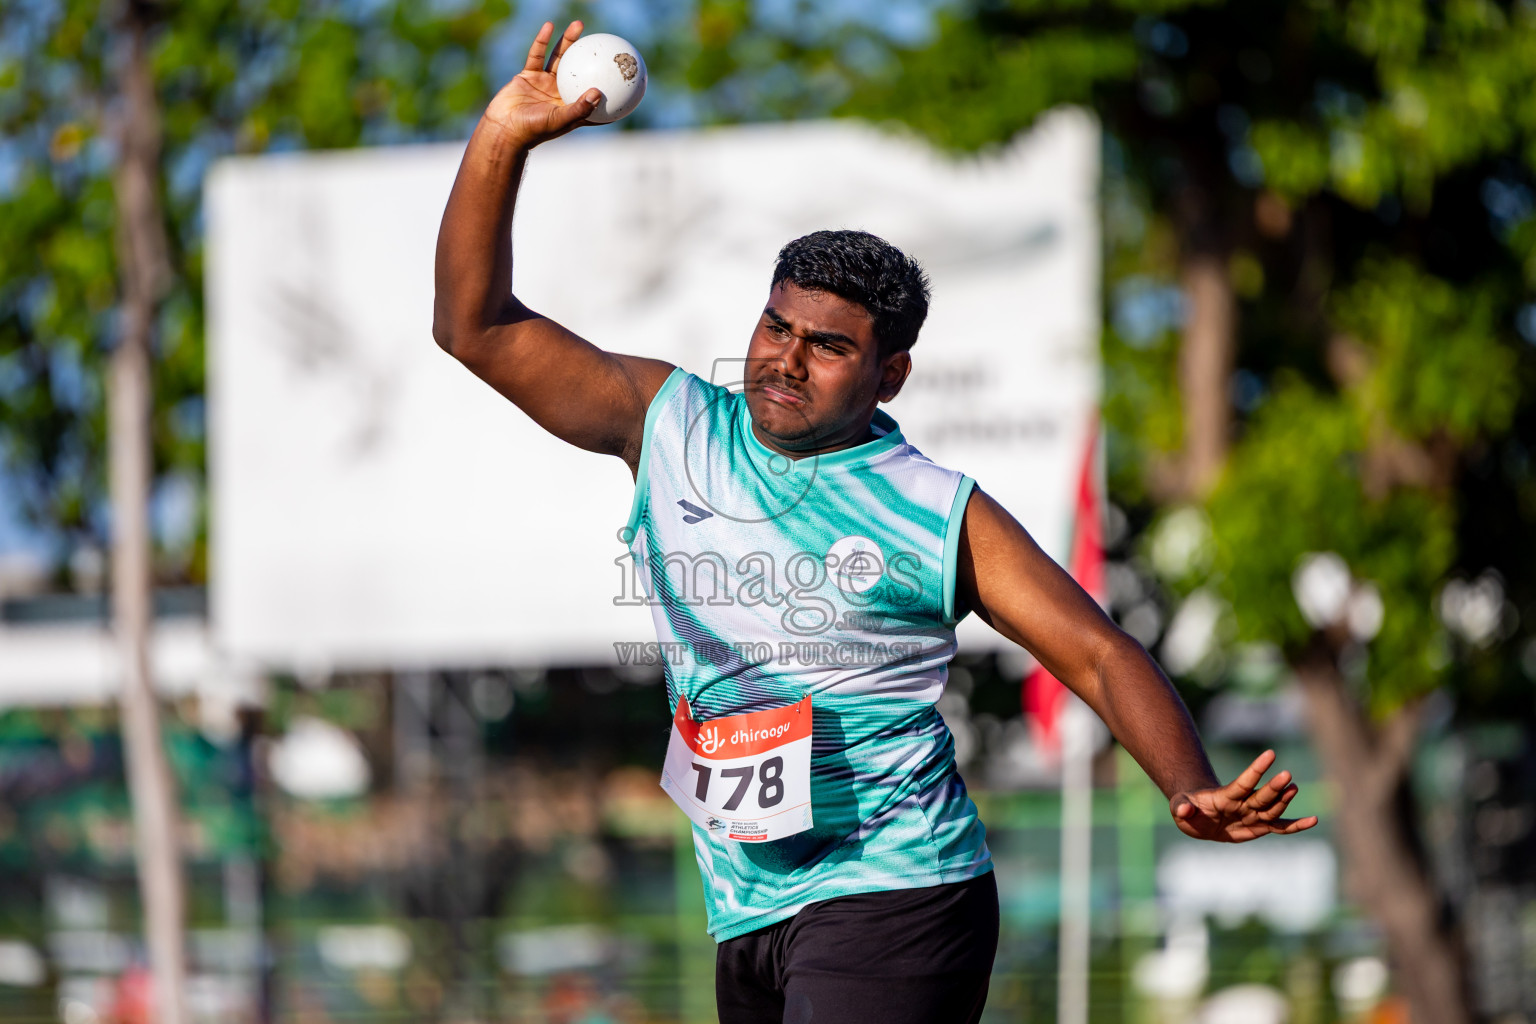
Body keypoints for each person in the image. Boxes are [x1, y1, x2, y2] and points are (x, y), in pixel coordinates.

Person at [433, 21, 1319, 1024]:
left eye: (826, 345)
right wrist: (502, 140)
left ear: (889, 372)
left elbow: (1099, 652)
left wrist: (1186, 783)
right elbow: (476, 326)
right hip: (745, 908)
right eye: (777, 326)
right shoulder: (670, 423)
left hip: (898, 889)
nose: (786, 358)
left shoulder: (934, 508)